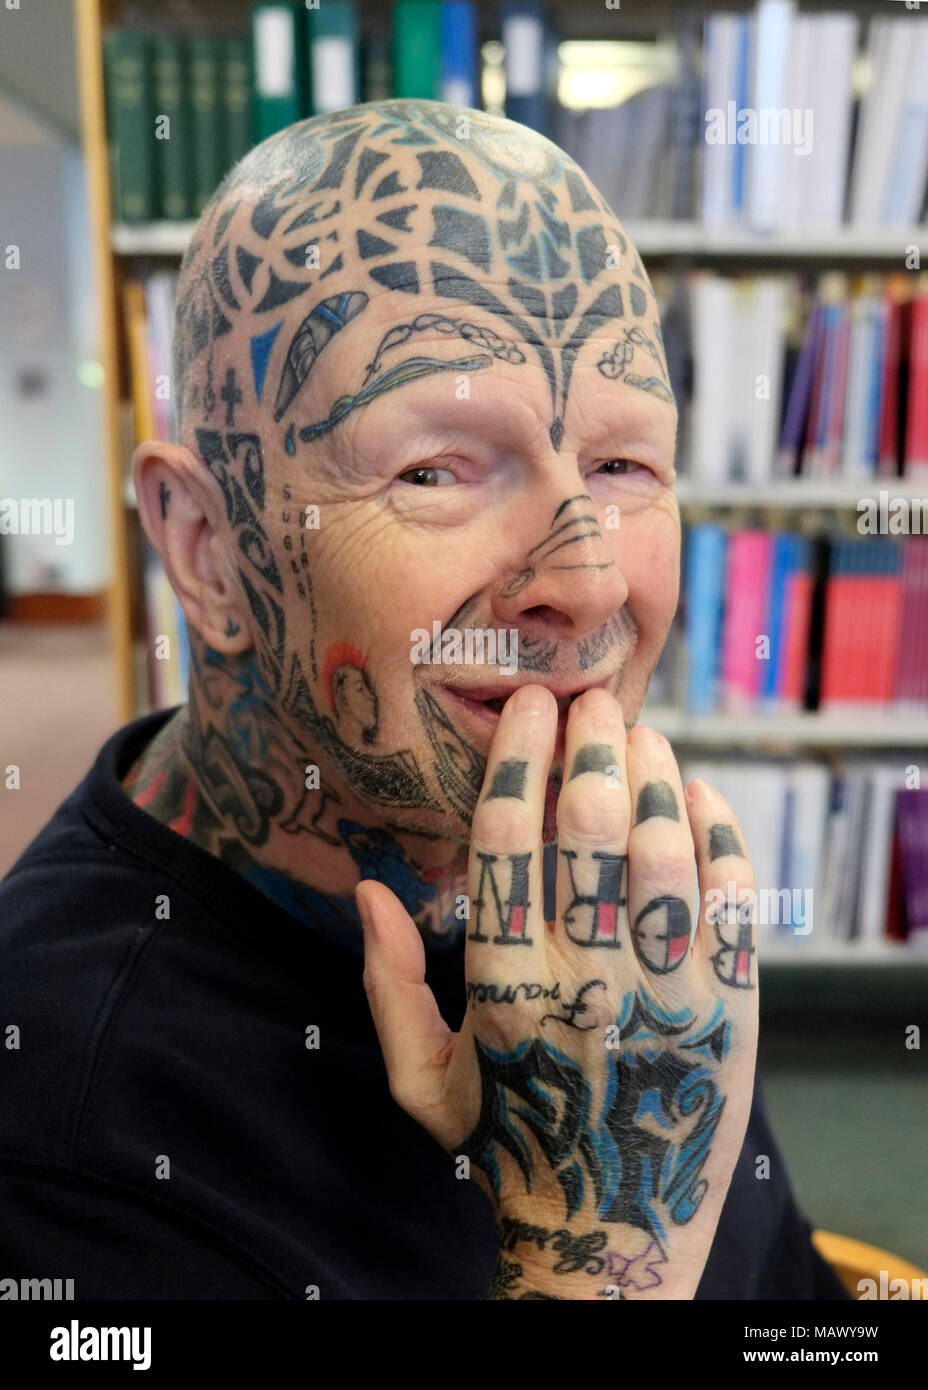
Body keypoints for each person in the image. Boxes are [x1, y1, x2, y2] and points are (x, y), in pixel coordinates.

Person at [0, 100, 846, 1299]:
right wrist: (591, 1251)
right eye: (437, 469)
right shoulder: (57, 1135)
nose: (587, 578)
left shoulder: (600, 901)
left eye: (620, 465)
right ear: (203, 546)